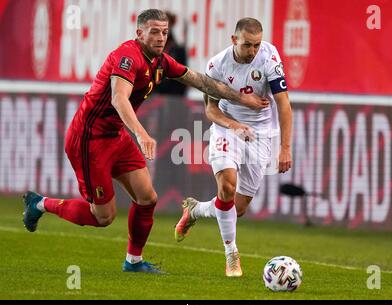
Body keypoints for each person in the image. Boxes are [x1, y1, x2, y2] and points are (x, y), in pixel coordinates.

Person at [22, 9, 268, 274]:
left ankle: (133, 262)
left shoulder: (160, 61)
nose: (161, 37)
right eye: (154, 31)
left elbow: (201, 81)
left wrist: (243, 99)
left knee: (147, 198)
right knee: (103, 216)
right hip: (89, 139)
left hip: (115, 136)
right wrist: (140, 133)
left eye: (164, 32)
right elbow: (119, 98)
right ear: (139, 33)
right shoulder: (128, 57)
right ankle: (39, 203)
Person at [174, 17, 293, 277]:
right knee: (227, 185)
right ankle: (232, 256)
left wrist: (285, 148)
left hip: (261, 134)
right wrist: (234, 125)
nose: (253, 51)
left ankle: (195, 210)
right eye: (248, 45)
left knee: (237, 207)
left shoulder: (270, 56)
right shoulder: (217, 65)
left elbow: (283, 103)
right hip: (228, 128)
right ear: (234, 40)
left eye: (257, 45)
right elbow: (211, 110)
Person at [154, 11, 188, 95]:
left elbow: (183, 77)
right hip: (154, 96)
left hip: (172, 97)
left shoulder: (178, 50)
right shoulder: (152, 48)